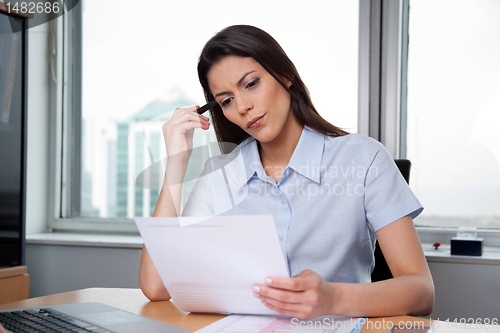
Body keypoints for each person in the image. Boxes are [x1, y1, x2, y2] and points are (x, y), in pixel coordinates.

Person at [139, 25, 434, 319]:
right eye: (227, 100)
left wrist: (333, 298)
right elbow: (156, 286)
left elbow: (421, 292)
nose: (243, 106)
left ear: (285, 75)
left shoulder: (364, 159)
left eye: (251, 83)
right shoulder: (218, 176)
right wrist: (177, 163)